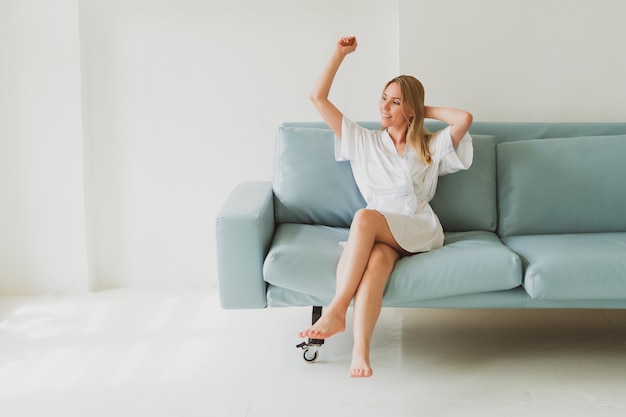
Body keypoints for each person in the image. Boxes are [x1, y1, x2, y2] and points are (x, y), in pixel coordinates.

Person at [298, 36, 474, 378]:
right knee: (376, 262)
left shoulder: (429, 146)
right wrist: (339, 54)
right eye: (383, 98)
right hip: (382, 229)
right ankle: (360, 352)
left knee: (363, 218)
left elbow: (464, 118)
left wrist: (422, 110)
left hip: (416, 225)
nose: (384, 107)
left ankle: (336, 309)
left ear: (409, 110)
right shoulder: (363, 141)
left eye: (394, 103)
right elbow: (317, 98)